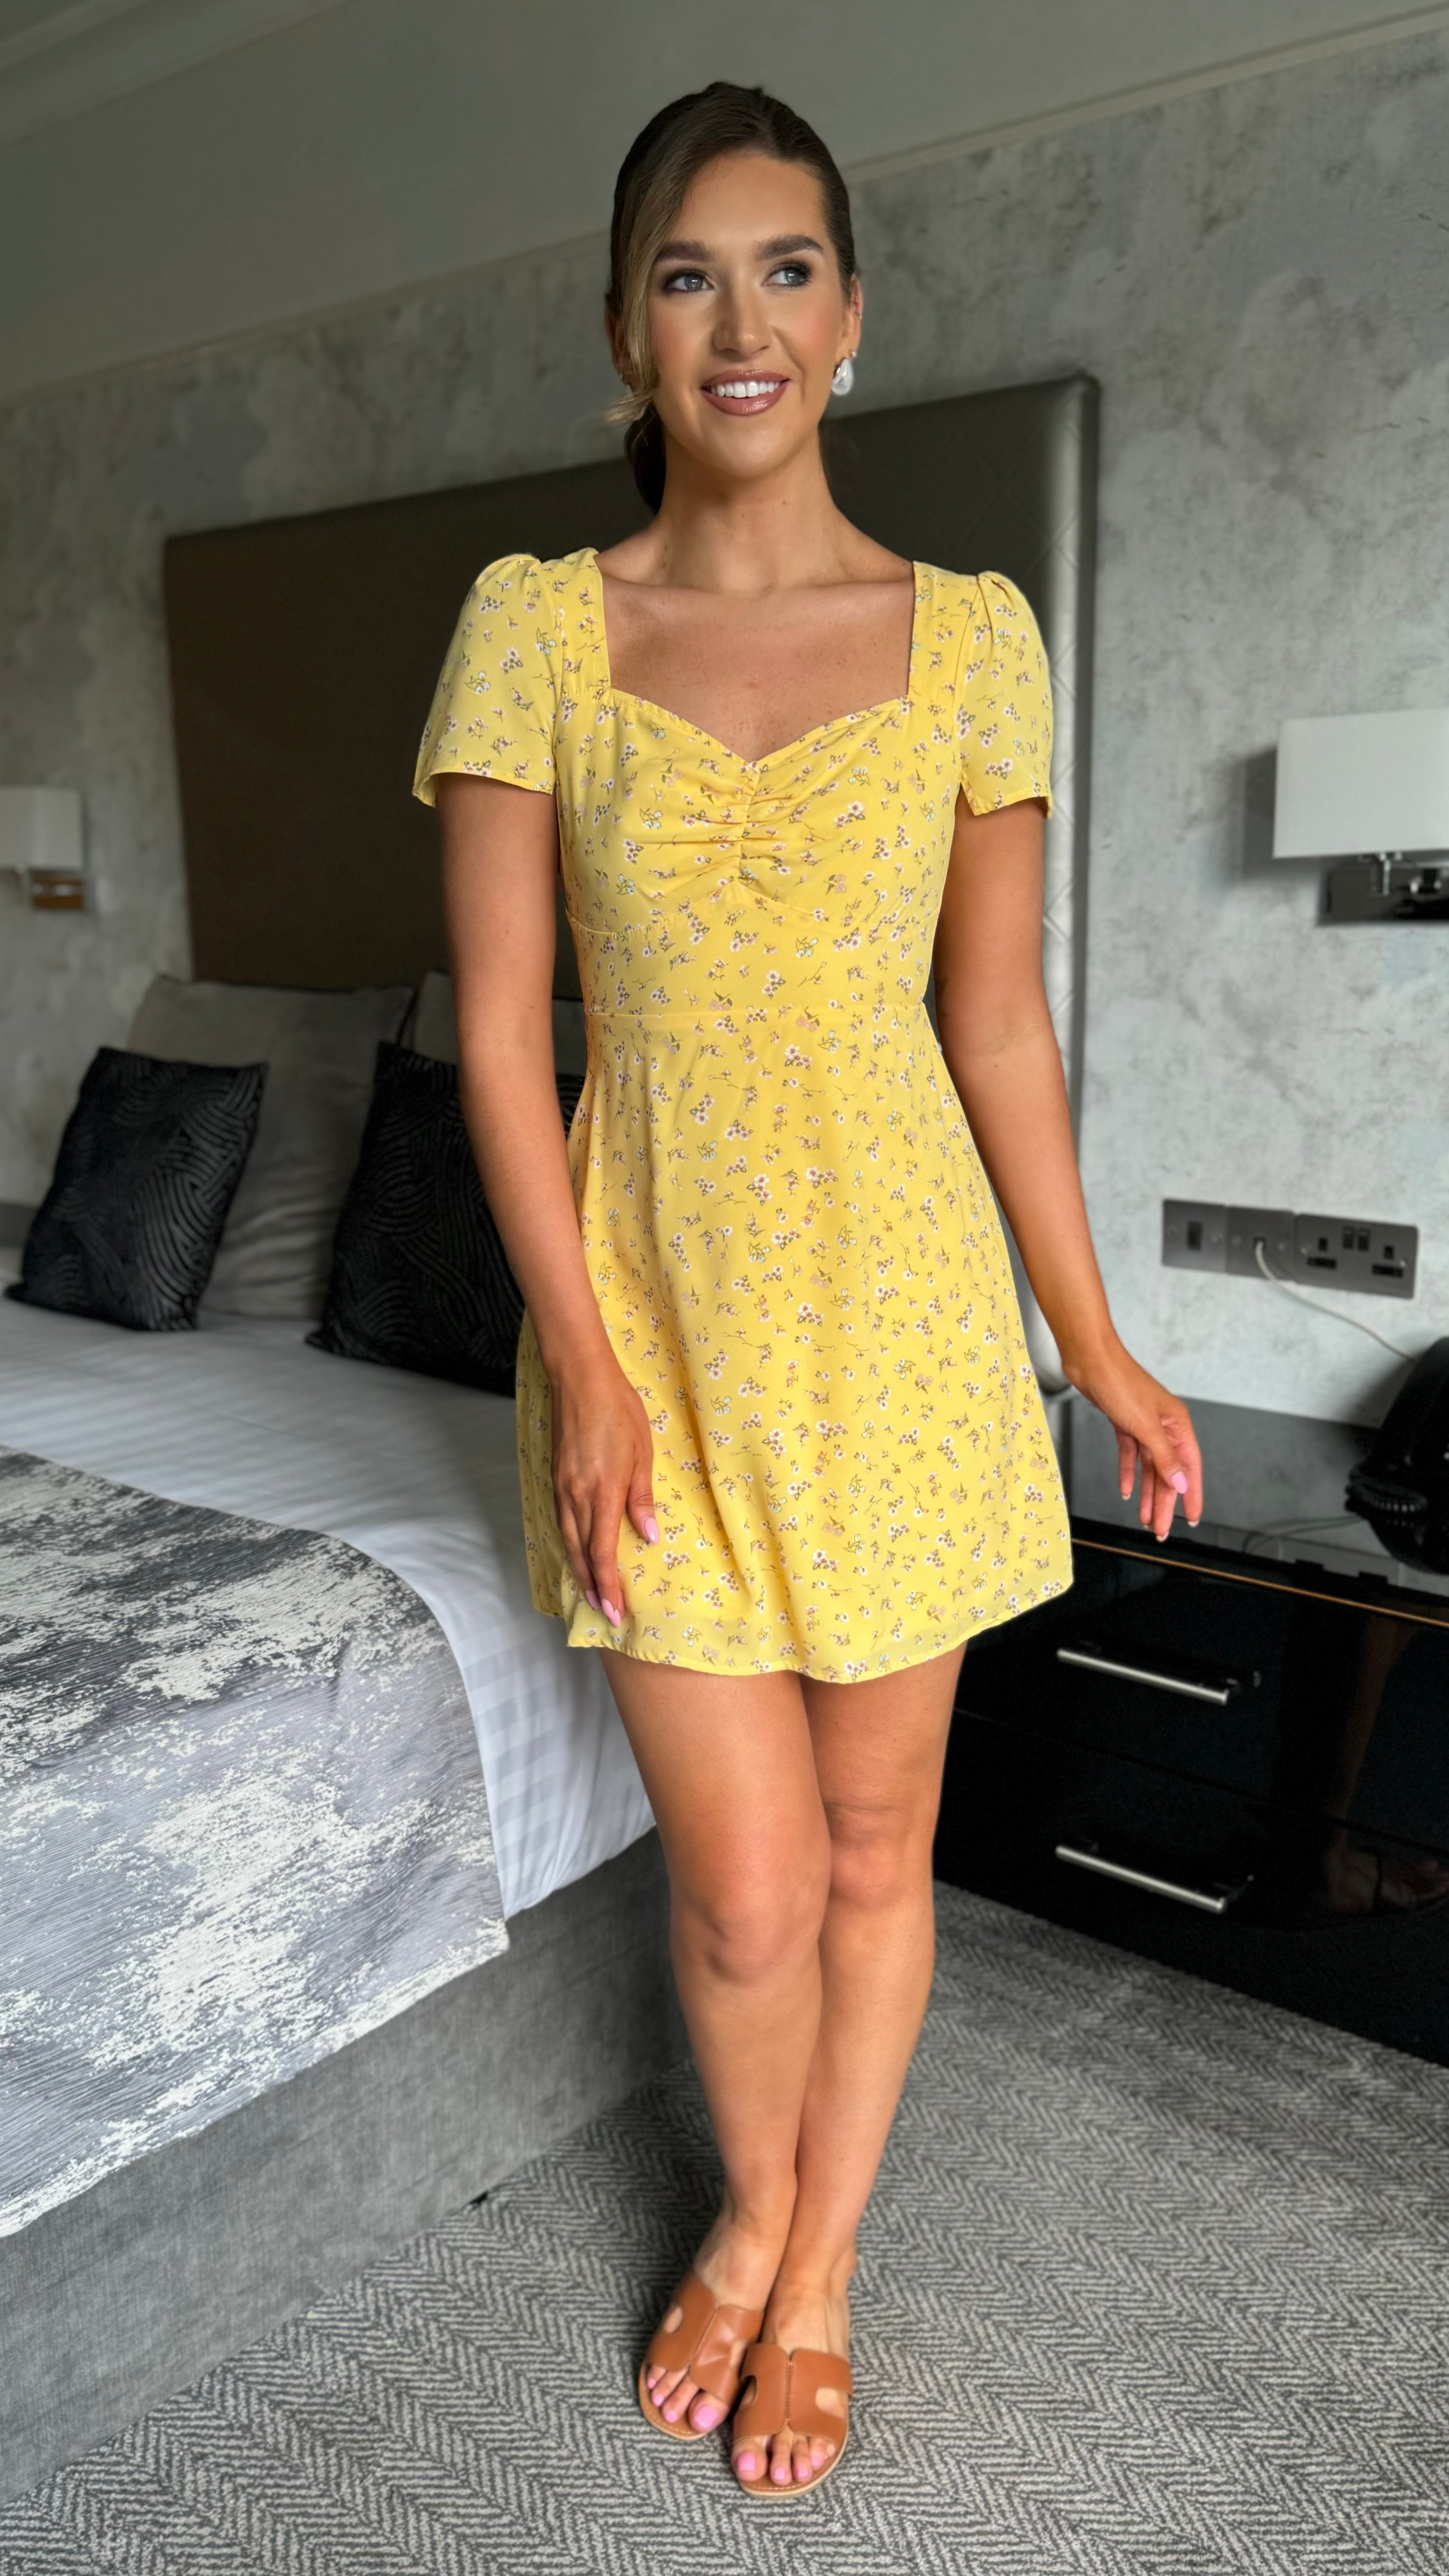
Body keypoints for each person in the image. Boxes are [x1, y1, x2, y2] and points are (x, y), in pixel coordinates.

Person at [416, 80, 1203, 2501]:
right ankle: (755, 2207)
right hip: (651, 1335)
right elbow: (503, 1041)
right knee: (748, 1895)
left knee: (874, 1855)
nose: (738, 320)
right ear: (626, 333)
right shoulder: (538, 628)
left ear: (851, 319)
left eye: (783, 270)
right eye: (687, 275)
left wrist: (1092, 1334)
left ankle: (810, 2260)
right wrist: (584, 1365)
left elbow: (999, 1031)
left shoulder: (972, 640)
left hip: (904, 1333)